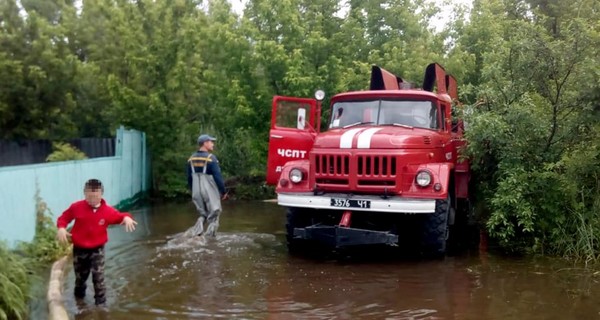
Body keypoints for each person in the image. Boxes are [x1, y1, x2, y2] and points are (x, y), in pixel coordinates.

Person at [56, 179, 137, 306]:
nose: (92, 199)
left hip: (97, 249)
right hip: (79, 249)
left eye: (95, 196)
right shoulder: (77, 207)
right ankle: (79, 302)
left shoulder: (107, 211)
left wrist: (127, 218)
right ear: (84, 194)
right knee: (80, 279)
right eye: (89, 196)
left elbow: (120, 216)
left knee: (98, 278)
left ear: (101, 194)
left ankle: (101, 307)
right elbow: (64, 218)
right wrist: (61, 227)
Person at [186, 134, 228, 237]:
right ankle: (210, 240)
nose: (213, 144)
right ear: (205, 143)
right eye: (211, 142)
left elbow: (189, 178)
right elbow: (217, 177)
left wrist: (193, 191)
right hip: (208, 189)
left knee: (203, 214)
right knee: (214, 214)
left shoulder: (191, 159)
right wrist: (223, 191)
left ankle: (197, 234)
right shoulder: (211, 158)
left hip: (196, 190)